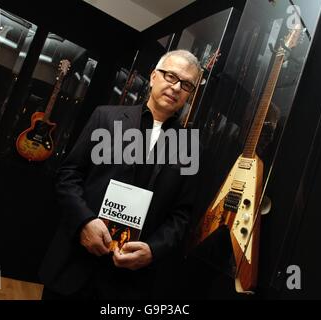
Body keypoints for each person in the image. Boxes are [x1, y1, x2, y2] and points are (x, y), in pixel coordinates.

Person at [39, 49, 202, 300]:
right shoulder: (105, 117)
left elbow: (182, 214)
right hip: (73, 265)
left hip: (128, 283)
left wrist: (153, 250)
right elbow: (68, 175)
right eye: (170, 76)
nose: (176, 87)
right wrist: (84, 222)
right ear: (153, 76)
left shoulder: (189, 146)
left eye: (186, 84)